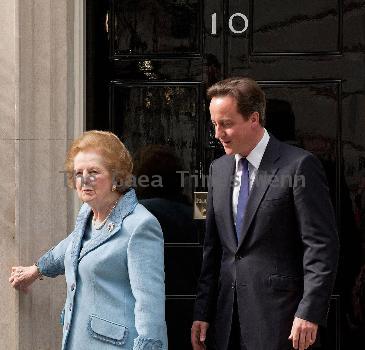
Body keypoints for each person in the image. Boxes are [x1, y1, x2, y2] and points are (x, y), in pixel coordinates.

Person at [191, 78, 339, 350]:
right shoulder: (218, 170)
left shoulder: (299, 166)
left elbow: (320, 246)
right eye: (214, 124)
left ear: (254, 119)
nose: (217, 133)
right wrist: (202, 311)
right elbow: (213, 250)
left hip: (282, 321)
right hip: (226, 322)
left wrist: (309, 311)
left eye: (225, 124)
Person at [9, 130, 168, 350]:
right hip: (77, 340)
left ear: (116, 177)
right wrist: (36, 270)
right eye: (78, 173)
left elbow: (150, 305)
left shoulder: (140, 225)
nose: (84, 180)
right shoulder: (89, 213)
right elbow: (72, 246)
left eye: (93, 171)